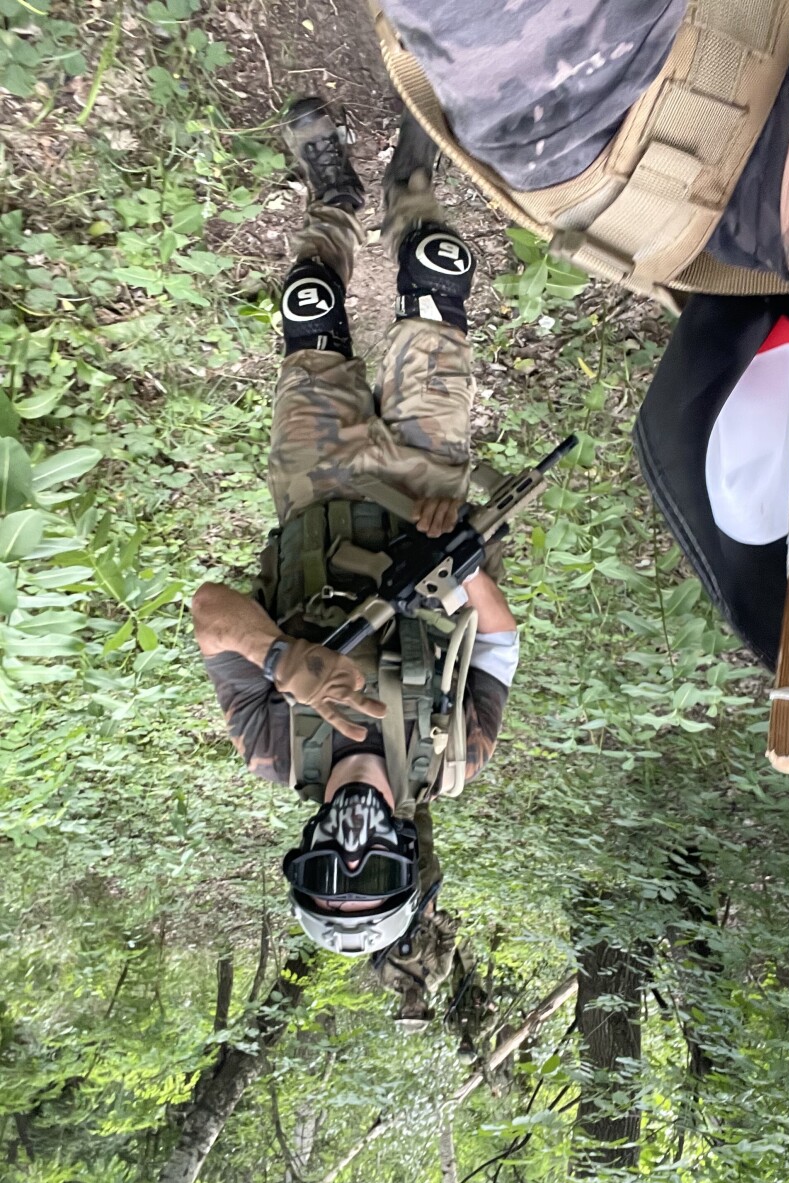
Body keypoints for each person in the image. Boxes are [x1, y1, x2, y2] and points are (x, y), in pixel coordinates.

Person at [370, 0, 789, 653]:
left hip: (667, 115)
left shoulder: (590, 112)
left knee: (404, 288)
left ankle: (379, 207)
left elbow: (496, 647)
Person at [191, 99, 520, 976]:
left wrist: (281, 661)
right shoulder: (452, 759)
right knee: (437, 272)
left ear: (302, 855)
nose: (350, 849)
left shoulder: (274, 748)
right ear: (406, 861)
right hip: (424, 486)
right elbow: (499, 645)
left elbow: (211, 612)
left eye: (327, 874)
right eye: (369, 874)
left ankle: (331, 198)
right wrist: (463, 566)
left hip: (315, 487)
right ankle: (412, 182)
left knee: (308, 306)